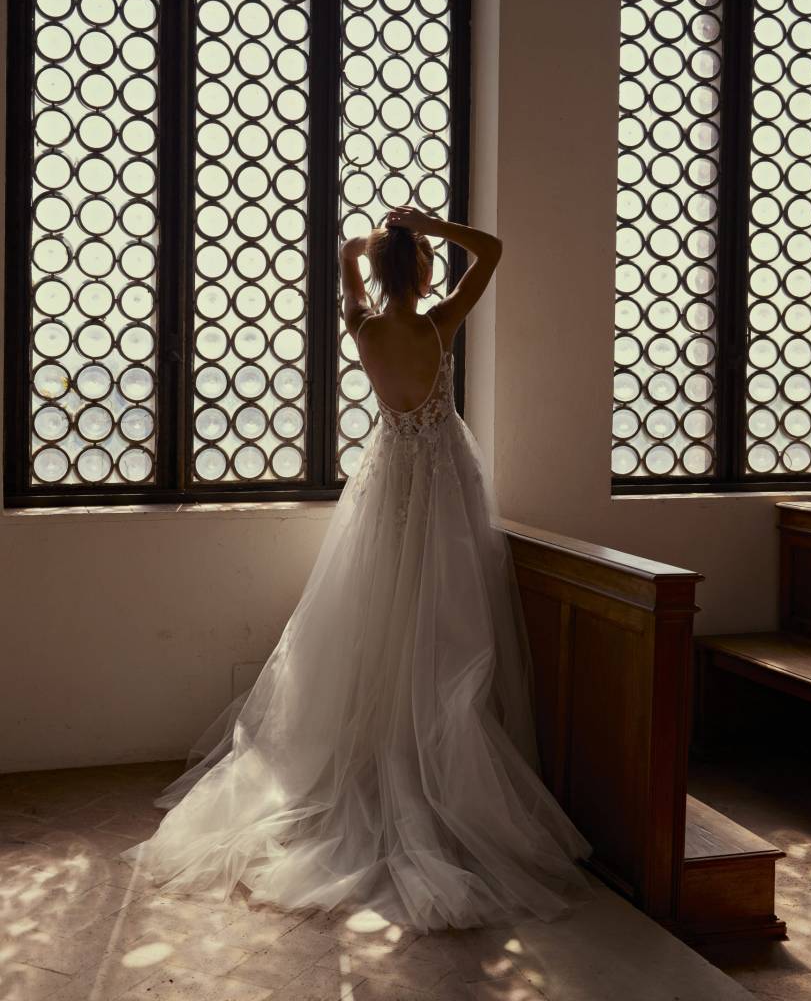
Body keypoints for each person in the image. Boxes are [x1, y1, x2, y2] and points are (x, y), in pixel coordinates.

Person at [118, 206, 593, 932]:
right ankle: (425, 763)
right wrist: (434, 224)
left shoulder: (364, 328)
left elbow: (343, 257)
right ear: (428, 272)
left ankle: (378, 756)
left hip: (388, 486)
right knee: (445, 630)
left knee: (376, 626)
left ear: (377, 275)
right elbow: (493, 251)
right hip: (443, 492)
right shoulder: (440, 324)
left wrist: (373, 247)